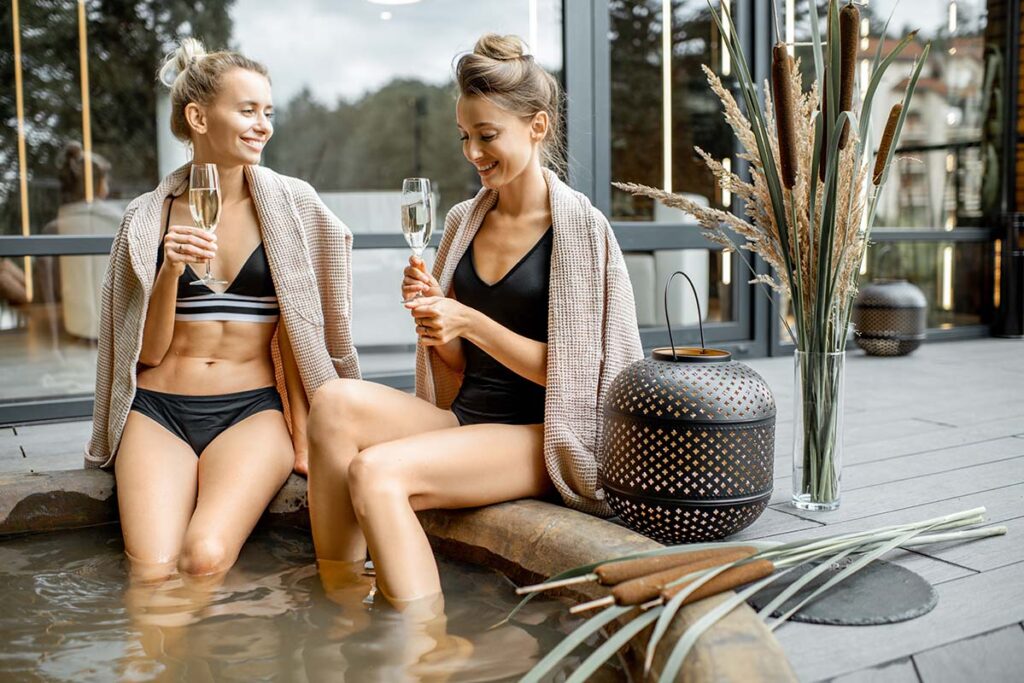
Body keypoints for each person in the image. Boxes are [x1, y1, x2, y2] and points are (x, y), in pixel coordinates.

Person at [306, 33, 643, 608]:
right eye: (464, 137)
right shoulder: (465, 220)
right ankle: (340, 602)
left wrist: (469, 320)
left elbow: (583, 382)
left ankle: (426, 647)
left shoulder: (581, 232)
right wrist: (439, 325)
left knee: (376, 473)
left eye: (487, 136)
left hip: (540, 437)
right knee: (333, 401)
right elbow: (459, 365)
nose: (473, 152)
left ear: (536, 127)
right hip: (468, 419)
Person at [85, 38, 360, 582]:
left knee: (204, 557)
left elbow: (308, 330)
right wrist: (167, 271)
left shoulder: (296, 207)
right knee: (150, 571)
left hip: (250, 412)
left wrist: (308, 435)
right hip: (158, 411)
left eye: (268, 112)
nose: (263, 126)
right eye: (248, 110)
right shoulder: (147, 217)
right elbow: (147, 352)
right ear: (199, 116)